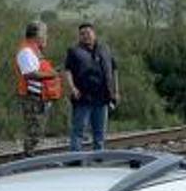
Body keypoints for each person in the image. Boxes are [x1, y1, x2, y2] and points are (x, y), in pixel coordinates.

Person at [63, 22, 118, 151]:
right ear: (79, 37)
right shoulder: (74, 51)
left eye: (88, 33)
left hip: (103, 97)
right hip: (83, 97)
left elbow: (114, 70)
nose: (85, 36)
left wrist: (116, 91)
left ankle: (99, 157)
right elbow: (67, 71)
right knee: (78, 130)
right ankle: (75, 158)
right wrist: (72, 88)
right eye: (82, 34)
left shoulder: (105, 49)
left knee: (100, 132)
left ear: (94, 33)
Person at [14, 21, 61, 156]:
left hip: (40, 97)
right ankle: (28, 158)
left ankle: (30, 155)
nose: (46, 37)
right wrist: (53, 74)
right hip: (32, 98)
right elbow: (30, 74)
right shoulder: (26, 51)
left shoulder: (34, 50)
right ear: (37, 35)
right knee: (34, 130)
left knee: (37, 129)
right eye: (44, 33)